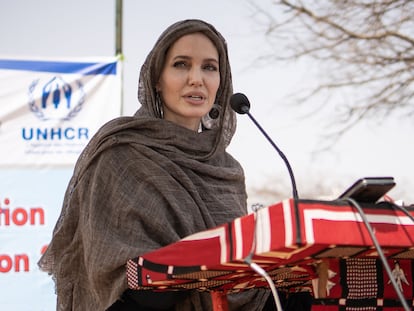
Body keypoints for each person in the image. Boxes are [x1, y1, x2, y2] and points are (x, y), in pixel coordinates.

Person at [38, 19, 271, 310]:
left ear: (221, 82)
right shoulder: (122, 152)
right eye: (181, 64)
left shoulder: (227, 171)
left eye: (209, 67)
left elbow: (244, 278)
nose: (196, 78)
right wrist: (186, 267)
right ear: (157, 79)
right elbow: (108, 273)